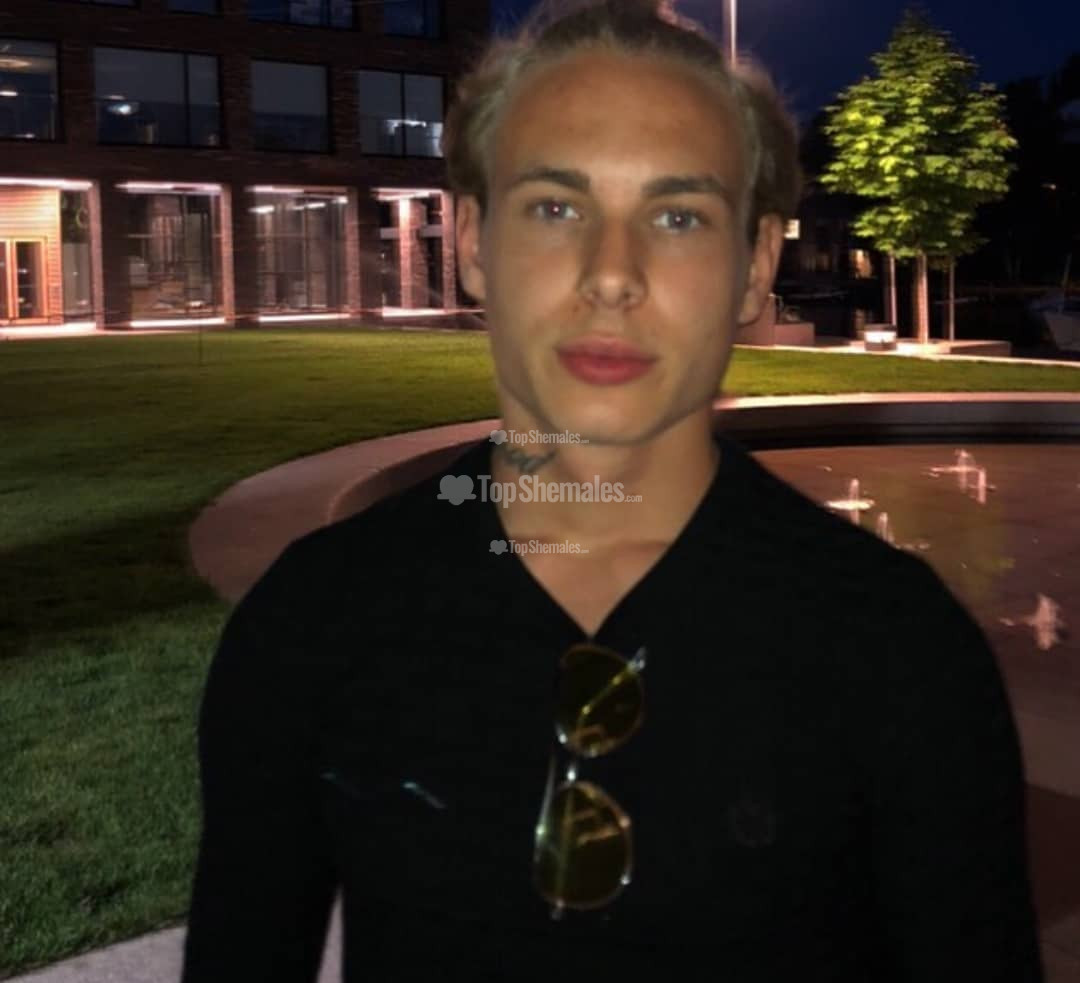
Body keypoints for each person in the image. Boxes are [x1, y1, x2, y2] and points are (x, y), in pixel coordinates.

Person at [181, 1, 1044, 980]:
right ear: (472, 240)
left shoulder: (900, 649)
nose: (612, 274)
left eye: (678, 217)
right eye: (556, 207)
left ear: (755, 264)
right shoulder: (312, 622)